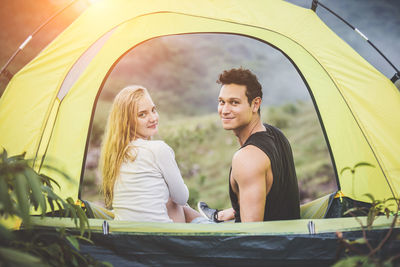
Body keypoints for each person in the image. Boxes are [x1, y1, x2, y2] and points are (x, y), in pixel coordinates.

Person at [198, 68, 300, 223]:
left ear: (255, 104)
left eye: (234, 102)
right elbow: (274, 199)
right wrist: (234, 211)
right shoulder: (276, 134)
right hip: (290, 240)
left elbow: (251, 237)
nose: (224, 110)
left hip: (270, 246)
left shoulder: (247, 158)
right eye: (221, 102)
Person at [100, 85, 200, 223]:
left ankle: (212, 219)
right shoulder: (158, 149)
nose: (153, 118)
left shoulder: (115, 156)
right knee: (176, 201)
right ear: (127, 122)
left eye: (153, 110)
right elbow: (182, 198)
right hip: (163, 239)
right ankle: (211, 222)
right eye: (142, 114)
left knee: (168, 198)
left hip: (129, 238)